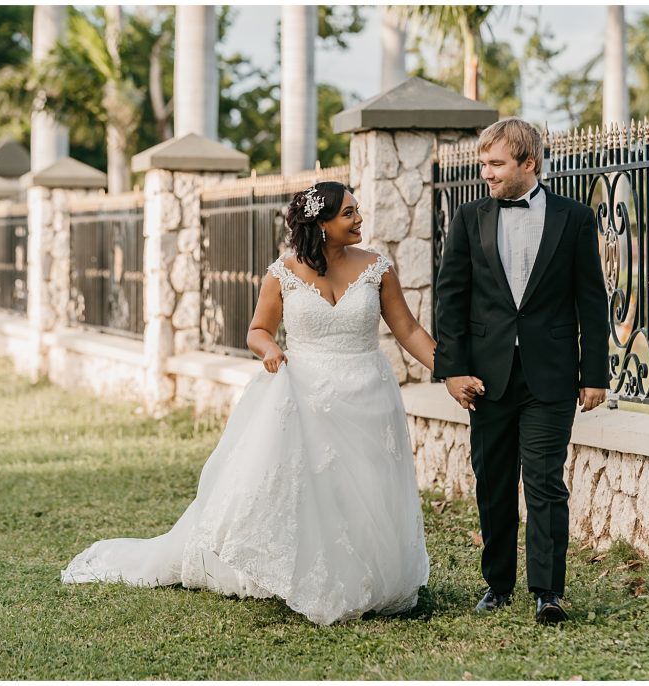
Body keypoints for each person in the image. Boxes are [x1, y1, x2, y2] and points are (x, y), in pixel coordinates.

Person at [61, 181, 479, 625]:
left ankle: (369, 579)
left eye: (357, 211)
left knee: (366, 489)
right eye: (349, 214)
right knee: (315, 491)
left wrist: (450, 372)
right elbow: (257, 329)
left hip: (367, 394)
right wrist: (270, 351)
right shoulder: (283, 272)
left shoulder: (378, 269)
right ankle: (317, 579)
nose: (359, 220)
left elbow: (410, 331)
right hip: (305, 394)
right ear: (321, 224)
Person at [433, 118, 608, 625]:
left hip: (550, 376)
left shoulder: (574, 218)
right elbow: (452, 298)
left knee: (545, 483)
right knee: (493, 480)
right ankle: (499, 583)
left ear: (528, 163)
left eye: (496, 164)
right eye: (482, 164)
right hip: (486, 378)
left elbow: (591, 301)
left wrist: (593, 373)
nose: (486, 174)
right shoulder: (469, 219)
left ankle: (548, 591)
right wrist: (452, 370)